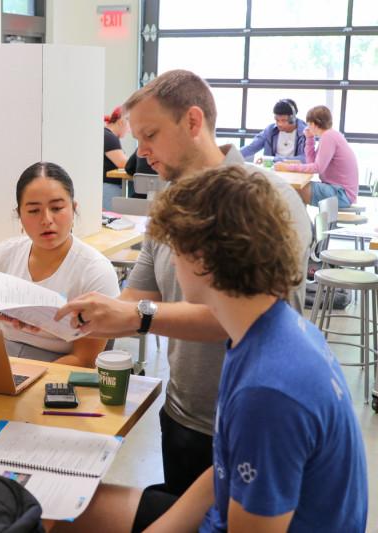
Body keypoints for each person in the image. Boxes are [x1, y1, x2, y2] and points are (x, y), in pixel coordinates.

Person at [54, 166, 367, 533]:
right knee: (62, 505)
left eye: (175, 247)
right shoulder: (259, 329)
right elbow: (222, 471)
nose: (169, 261)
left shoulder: (266, 392)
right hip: (224, 511)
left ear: (203, 260)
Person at [55, 70, 311, 496]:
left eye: (151, 134)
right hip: (183, 413)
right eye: (137, 138)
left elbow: (242, 315)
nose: (143, 152)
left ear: (193, 122)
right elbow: (141, 292)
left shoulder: (268, 200)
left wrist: (136, 316)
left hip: (251, 420)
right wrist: (74, 321)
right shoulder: (169, 204)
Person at [0, 162, 120, 368]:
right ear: (19, 215)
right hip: (2, 359)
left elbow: (84, 359)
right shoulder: (0, 257)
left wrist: (24, 375)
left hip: (60, 370)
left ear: (74, 209)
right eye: (33, 211)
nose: (46, 219)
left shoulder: (94, 271)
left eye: (57, 208)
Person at [275, 105, 359, 208]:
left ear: (314, 124)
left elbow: (317, 168)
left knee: (293, 189)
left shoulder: (329, 137)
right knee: (296, 189)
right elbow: (312, 163)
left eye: (308, 124)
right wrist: (310, 139)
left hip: (341, 194)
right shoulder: (330, 135)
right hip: (340, 191)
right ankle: (303, 223)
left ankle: (301, 224)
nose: (307, 127)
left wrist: (287, 168)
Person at [240, 98, 307, 162]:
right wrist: (232, 154)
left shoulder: (305, 133)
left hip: (294, 171)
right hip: (272, 171)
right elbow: (251, 147)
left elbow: (305, 159)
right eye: (277, 120)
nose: (279, 124)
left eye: (283, 120)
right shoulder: (270, 130)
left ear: (293, 118)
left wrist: (274, 160)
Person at [103, 106, 130, 210]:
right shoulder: (109, 137)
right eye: (129, 126)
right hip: (109, 188)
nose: (129, 131)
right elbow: (123, 163)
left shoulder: (107, 135)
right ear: (122, 121)